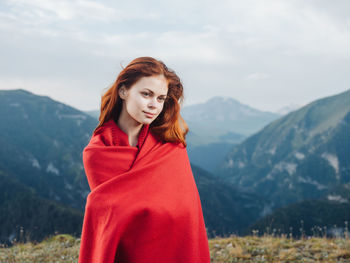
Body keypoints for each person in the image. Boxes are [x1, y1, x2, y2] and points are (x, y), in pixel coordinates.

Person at [78, 57, 211, 262]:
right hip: (127, 252)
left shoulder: (171, 146)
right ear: (123, 91)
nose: (153, 105)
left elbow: (187, 209)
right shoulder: (97, 154)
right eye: (146, 94)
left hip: (172, 248)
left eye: (160, 98)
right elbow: (113, 213)